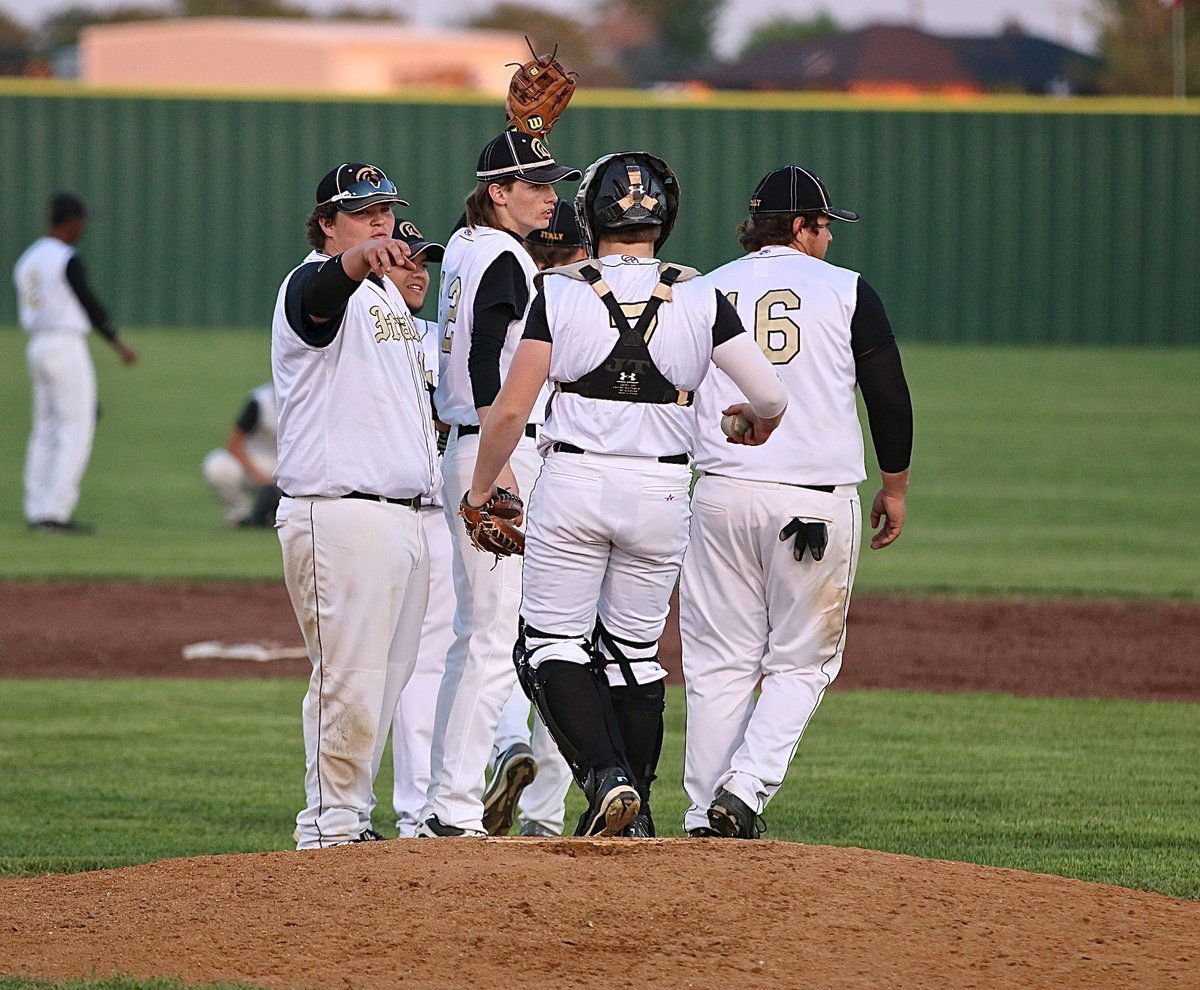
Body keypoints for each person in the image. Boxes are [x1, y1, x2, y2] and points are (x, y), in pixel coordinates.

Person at [465, 151, 789, 837]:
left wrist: (479, 489)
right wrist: (747, 422)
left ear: (590, 213)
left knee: (549, 645)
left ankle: (608, 780)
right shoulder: (702, 295)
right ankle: (633, 815)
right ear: (666, 216)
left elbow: (509, 413)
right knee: (635, 654)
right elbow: (770, 394)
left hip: (576, 481)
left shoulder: (558, 291)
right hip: (665, 487)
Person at [680, 165, 913, 839]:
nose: (830, 241)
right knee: (802, 659)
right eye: (824, 227)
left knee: (719, 663)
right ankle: (745, 789)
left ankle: (704, 816)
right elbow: (889, 393)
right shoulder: (846, 291)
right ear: (803, 226)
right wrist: (894, 486)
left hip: (720, 494)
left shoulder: (704, 287)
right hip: (811, 501)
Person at [417, 131, 581, 839]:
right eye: (535, 184)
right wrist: (499, 465)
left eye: (551, 184)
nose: (551, 196)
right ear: (498, 193)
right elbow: (489, 361)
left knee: (471, 638)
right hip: (496, 448)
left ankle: (444, 804)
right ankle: (453, 811)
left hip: (471, 445)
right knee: (490, 640)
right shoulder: (509, 258)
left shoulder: (462, 246)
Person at [272, 163, 438, 849]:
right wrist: (357, 260)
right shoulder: (313, 285)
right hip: (340, 512)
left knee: (385, 683)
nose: (378, 218)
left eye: (384, 209)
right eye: (361, 209)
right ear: (327, 222)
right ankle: (331, 826)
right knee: (351, 676)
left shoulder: (387, 298)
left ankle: (349, 819)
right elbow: (320, 292)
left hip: (403, 514)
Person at [485, 197, 587, 838]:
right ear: (581, 253)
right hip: (574, 481)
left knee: (488, 636)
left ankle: (502, 743)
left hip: (503, 465)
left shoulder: (506, 299)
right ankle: (546, 818)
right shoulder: (592, 309)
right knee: (567, 644)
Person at [379, 216, 455, 838]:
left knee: (427, 664)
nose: (418, 272)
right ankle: (394, 811)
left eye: (424, 262)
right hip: (386, 514)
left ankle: (422, 811)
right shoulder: (366, 333)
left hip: (439, 520)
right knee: (384, 668)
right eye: (406, 260)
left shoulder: (438, 338)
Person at [13, 191, 137, 533]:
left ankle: (37, 508)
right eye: (81, 220)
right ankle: (55, 514)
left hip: (36, 344)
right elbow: (88, 303)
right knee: (75, 429)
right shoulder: (66, 257)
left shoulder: (28, 258)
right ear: (71, 222)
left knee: (45, 429)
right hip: (64, 344)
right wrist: (117, 342)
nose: (83, 227)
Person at [201, 383, 280, 528]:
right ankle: (239, 514)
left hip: (292, 464)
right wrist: (266, 481)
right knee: (218, 466)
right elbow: (234, 445)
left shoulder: (314, 400)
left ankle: (291, 516)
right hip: (258, 461)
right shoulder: (261, 401)